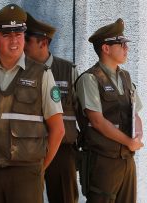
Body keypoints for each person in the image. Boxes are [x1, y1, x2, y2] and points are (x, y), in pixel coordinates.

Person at [0, 4, 65, 203]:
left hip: (25, 175)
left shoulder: (42, 75)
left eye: (18, 33)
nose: (14, 40)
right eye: (7, 34)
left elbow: (58, 129)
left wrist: (39, 169)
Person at [76, 18, 144, 203]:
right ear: (105, 48)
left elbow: (135, 113)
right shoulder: (90, 79)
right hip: (102, 161)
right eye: (121, 44)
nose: (126, 48)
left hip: (126, 160)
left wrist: (137, 135)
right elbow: (97, 121)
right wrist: (129, 142)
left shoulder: (125, 77)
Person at [24, 12, 79, 203]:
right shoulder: (20, 70)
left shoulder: (68, 70)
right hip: (30, 149)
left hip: (63, 152)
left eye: (27, 40)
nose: (21, 45)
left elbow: (83, 111)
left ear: (43, 43)